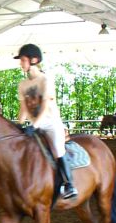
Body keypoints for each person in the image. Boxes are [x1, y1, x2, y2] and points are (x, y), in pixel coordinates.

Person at [15, 43, 77, 199]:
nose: (20, 63)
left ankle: (69, 184)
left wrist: (34, 126)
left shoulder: (45, 80)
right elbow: (23, 108)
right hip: (33, 125)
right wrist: (19, 124)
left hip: (50, 124)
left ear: (34, 60)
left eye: (22, 60)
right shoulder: (23, 84)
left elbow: (44, 107)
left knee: (57, 148)